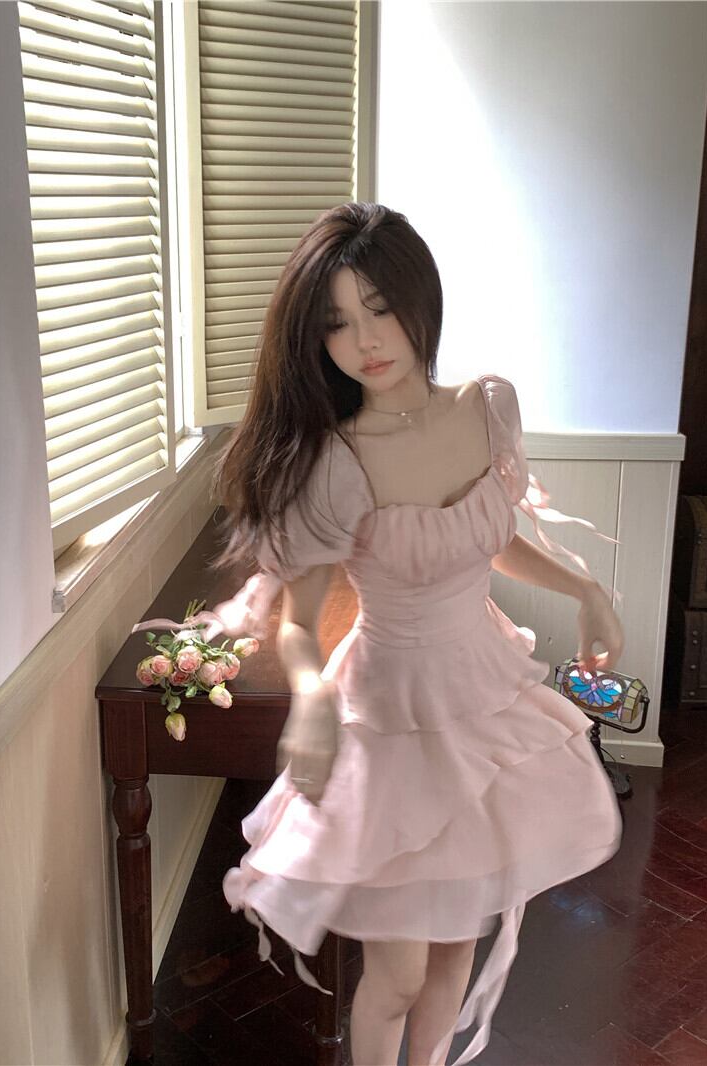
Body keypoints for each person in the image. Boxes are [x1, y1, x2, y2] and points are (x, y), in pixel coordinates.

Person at [199, 202, 624, 1065]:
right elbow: (298, 622)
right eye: (337, 323)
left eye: (381, 308)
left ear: (420, 299)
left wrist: (586, 588)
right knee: (395, 976)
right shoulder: (334, 461)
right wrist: (310, 696)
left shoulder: (488, 408)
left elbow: (488, 537)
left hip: (481, 692)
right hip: (388, 712)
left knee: (454, 954)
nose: (365, 341)